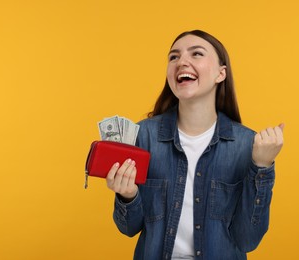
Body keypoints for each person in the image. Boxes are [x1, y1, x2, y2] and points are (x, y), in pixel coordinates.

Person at [105, 30, 284, 260]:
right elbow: (128, 228)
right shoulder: (143, 136)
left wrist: (262, 166)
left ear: (221, 74)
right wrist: (127, 195)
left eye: (196, 54)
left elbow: (247, 239)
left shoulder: (248, 145)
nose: (182, 62)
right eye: (174, 57)